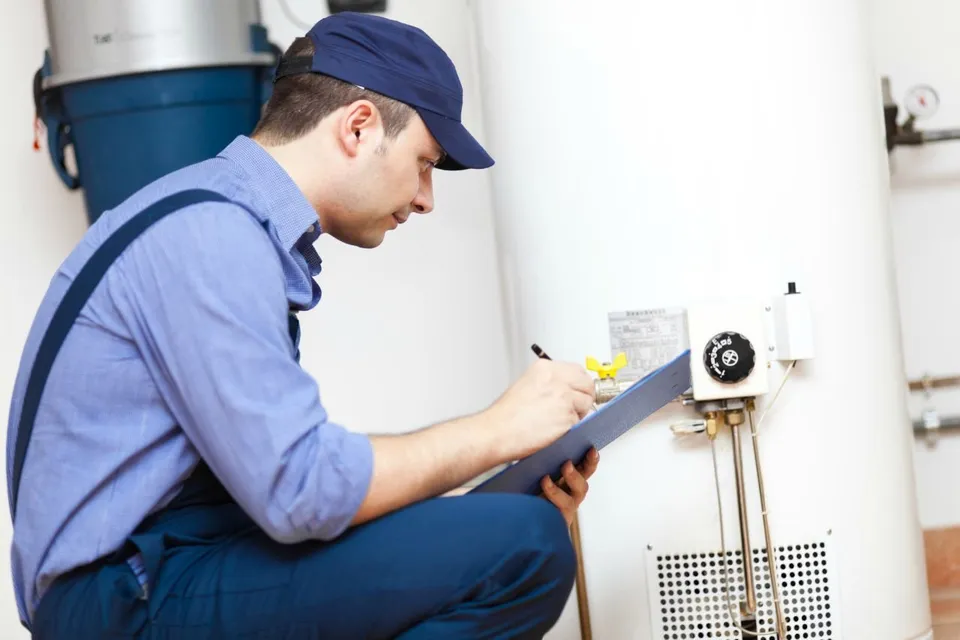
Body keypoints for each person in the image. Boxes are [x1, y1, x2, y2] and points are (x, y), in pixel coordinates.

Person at [6, 11, 601, 639]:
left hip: (168, 572)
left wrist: (477, 521)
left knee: (509, 534)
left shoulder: (212, 217)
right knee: (526, 547)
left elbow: (287, 493)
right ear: (359, 127)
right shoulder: (212, 235)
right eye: (425, 162)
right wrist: (497, 431)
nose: (427, 198)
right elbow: (302, 490)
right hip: (121, 600)